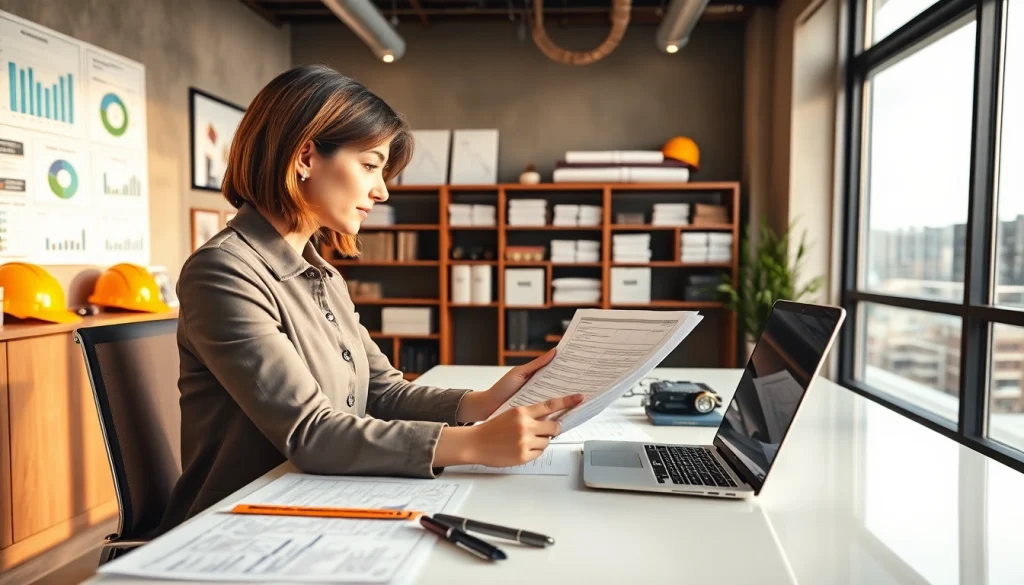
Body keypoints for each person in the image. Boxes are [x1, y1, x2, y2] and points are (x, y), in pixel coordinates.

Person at [158, 64, 582, 532]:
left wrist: (481, 403)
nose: (381, 191)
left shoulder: (322, 275)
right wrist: (475, 443)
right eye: (370, 166)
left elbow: (381, 393)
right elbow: (311, 433)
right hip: (239, 524)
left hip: (314, 499)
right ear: (305, 156)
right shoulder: (223, 272)